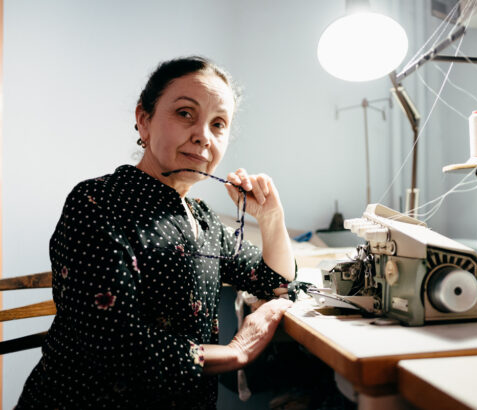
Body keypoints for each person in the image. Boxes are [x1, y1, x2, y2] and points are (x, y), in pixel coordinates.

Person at [17, 56, 296, 409]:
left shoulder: (202, 219)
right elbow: (117, 346)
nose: (203, 136)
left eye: (218, 124)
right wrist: (237, 352)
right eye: (185, 113)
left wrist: (271, 217)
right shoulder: (96, 202)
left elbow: (276, 282)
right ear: (144, 120)